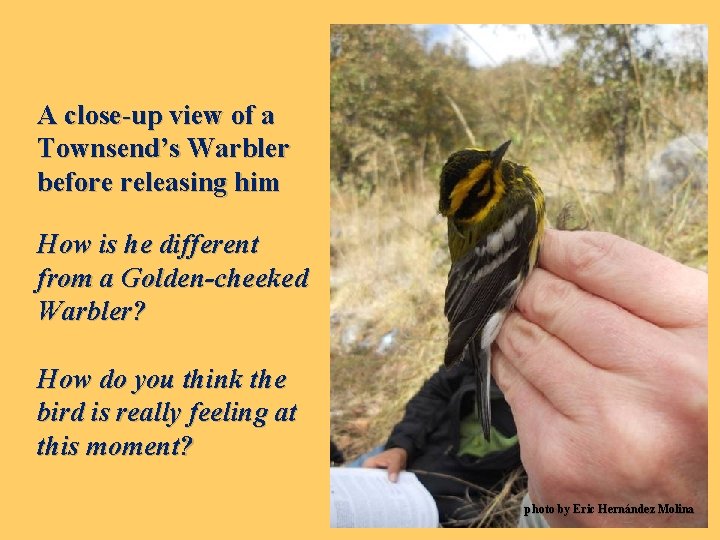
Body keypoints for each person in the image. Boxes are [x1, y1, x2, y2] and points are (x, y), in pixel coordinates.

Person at [364, 229, 708, 527]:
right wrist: (399, 444)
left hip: (448, 498)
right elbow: (437, 389)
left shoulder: (586, 431)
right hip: (409, 455)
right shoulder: (484, 344)